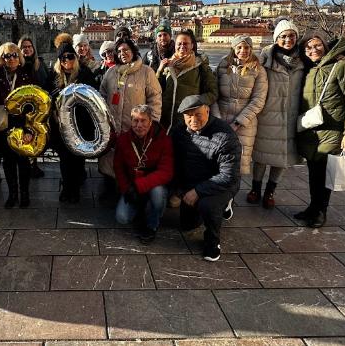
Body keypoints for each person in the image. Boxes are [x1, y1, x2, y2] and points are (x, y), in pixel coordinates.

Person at [295, 32, 345, 228]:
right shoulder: (310, 68)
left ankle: (320, 212)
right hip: (311, 130)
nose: (312, 50)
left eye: (317, 45)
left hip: (332, 130)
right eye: (308, 47)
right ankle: (313, 207)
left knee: (324, 173)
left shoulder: (343, 65)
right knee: (313, 171)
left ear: (325, 46)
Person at [171, 95, 241, 261]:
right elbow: (175, 161)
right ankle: (208, 208)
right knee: (187, 225)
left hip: (219, 184)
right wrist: (180, 188)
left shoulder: (225, 135)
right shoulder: (179, 131)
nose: (193, 119)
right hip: (192, 180)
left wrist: (197, 191)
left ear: (208, 111)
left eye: (198, 114)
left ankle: (213, 241)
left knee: (207, 205)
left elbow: (228, 175)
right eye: (189, 115)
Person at [250, 19, 304, 209]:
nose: (288, 39)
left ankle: (270, 191)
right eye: (283, 36)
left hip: (291, 115)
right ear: (276, 39)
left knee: (282, 156)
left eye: (291, 36)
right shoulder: (265, 59)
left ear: (297, 38)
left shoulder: (304, 61)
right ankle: (255, 188)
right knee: (261, 155)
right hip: (268, 114)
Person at [99, 38, 162, 191]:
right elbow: (102, 95)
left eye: (126, 50)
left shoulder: (147, 72)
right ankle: (110, 187)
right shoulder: (111, 72)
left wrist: (151, 124)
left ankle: (128, 191)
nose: (122, 53)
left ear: (133, 51)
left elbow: (155, 100)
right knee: (110, 159)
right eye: (119, 51)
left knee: (132, 161)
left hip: (135, 127)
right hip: (113, 127)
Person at [46, 34, 96, 203]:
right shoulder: (53, 75)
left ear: (75, 57)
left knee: (76, 158)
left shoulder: (84, 73)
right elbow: (47, 96)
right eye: (63, 57)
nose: (67, 60)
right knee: (65, 159)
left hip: (80, 125)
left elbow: (92, 97)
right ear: (59, 60)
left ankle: (74, 189)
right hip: (60, 125)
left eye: (70, 56)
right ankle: (67, 187)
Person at [0, 42, 35, 208]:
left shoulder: (27, 75)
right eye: (7, 56)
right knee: (8, 160)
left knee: (23, 159)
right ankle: (13, 194)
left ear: (19, 57)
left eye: (14, 55)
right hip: (2, 123)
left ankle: (25, 194)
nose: (11, 59)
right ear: (2, 58)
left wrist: (29, 129)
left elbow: (33, 104)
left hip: (21, 122)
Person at [114, 105, 174, 244]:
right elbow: (118, 168)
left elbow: (166, 172)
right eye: (135, 121)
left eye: (143, 121)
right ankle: (141, 210)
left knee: (158, 194)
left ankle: (152, 224)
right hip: (132, 186)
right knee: (122, 218)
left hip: (153, 185)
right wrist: (126, 189)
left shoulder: (163, 139)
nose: (139, 125)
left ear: (150, 122)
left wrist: (138, 186)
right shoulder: (123, 139)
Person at [212, 35, 269, 180]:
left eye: (246, 47)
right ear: (233, 48)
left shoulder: (258, 70)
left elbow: (258, 100)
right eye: (239, 47)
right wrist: (217, 119)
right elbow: (213, 94)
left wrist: (238, 122)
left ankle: (231, 198)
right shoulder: (222, 66)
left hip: (245, 122)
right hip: (221, 118)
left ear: (251, 49)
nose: (243, 50)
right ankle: (217, 193)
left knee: (238, 162)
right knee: (217, 159)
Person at [157, 29, 217, 132]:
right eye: (179, 43)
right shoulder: (167, 65)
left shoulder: (200, 66)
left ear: (192, 45)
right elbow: (155, 89)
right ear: (174, 45)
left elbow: (213, 93)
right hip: (166, 121)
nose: (182, 46)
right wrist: (159, 70)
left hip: (188, 121)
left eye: (186, 43)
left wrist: (196, 103)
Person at [19, 35, 48, 179]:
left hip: (39, 106)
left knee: (36, 135)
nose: (27, 49)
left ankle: (34, 164)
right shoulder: (18, 65)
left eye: (29, 47)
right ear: (20, 49)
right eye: (24, 47)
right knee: (25, 135)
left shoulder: (40, 63)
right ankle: (27, 164)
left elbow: (46, 81)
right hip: (23, 107)